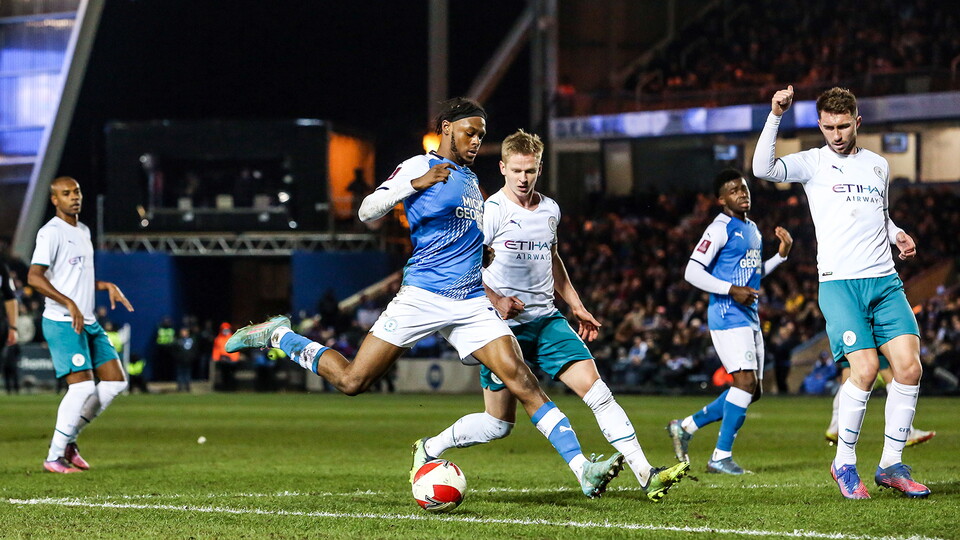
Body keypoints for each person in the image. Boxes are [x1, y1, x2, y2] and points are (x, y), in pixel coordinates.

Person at [226, 98, 624, 498]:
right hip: (422, 296)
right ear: (447, 128)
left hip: (471, 301)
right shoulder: (420, 165)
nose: (476, 141)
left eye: (481, 135)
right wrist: (414, 184)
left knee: (521, 378)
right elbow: (367, 210)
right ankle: (280, 335)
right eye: (470, 133)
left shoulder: (471, 181)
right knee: (352, 380)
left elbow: (463, 235)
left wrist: (481, 252)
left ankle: (583, 469)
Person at [410, 129, 689, 501]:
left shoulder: (550, 210)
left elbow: (553, 259)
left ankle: (646, 474)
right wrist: (496, 299)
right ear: (503, 168)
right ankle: (429, 447)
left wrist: (576, 304)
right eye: (517, 170)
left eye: (530, 171)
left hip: (546, 321)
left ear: (539, 169)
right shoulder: (491, 211)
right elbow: (465, 265)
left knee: (599, 393)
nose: (524, 178)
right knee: (497, 425)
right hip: (498, 328)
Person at [753, 86, 929, 499]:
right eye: (829, 127)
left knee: (909, 368)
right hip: (840, 284)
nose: (836, 134)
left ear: (857, 122)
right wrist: (776, 114)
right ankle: (844, 463)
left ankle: (891, 465)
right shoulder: (813, 162)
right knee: (864, 371)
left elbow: (879, 215)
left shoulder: (878, 165)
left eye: (843, 126)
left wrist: (897, 234)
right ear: (820, 125)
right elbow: (763, 167)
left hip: (884, 281)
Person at [667, 168, 792, 475]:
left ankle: (686, 427)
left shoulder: (751, 229)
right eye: (734, 190)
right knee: (745, 384)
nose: (742, 194)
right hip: (726, 314)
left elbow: (753, 274)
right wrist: (730, 289)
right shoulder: (718, 228)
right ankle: (720, 457)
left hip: (748, 315)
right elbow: (691, 271)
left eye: (744, 188)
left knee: (752, 390)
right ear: (721, 200)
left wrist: (781, 256)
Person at [27, 176, 134, 473]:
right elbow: (34, 276)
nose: (74, 197)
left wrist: (104, 285)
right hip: (63, 321)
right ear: (54, 200)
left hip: (88, 321)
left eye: (76, 191)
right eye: (66, 193)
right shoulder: (51, 233)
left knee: (116, 382)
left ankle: (69, 440)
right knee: (83, 387)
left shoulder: (83, 230)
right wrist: (68, 302)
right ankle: (53, 457)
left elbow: (75, 277)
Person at [824, 359, 935, 446]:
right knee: (887, 372)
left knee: (848, 372)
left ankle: (835, 427)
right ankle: (905, 431)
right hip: (869, 337)